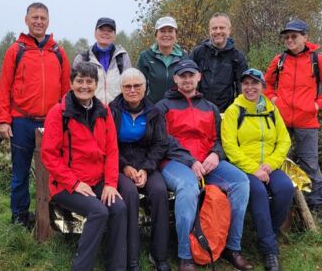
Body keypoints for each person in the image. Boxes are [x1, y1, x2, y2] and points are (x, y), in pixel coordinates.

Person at [156, 58, 253, 271]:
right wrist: (190, 161)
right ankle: (185, 255)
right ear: (175, 79)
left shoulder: (210, 107)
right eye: (183, 75)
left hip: (208, 162)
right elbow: (162, 140)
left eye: (191, 75)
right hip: (175, 162)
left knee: (241, 182)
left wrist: (216, 154)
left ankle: (232, 247)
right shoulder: (163, 106)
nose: (187, 79)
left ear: (199, 77)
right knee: (188, 187)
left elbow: (220, 139)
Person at [41, 62, 126, 271]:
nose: (84, 86)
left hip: (97, 180)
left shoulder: (104, 111)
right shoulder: (58, 113)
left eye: (89, 81)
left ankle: (116, 266)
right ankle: (81, 267)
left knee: (119, 208)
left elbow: (112, 150)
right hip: (66, 184)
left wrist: (110, 184)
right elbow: (49, 155)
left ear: (96, 84)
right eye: (79, 81)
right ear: (71, 83)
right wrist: (74, 183)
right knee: (99, 211)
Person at [0, 2, 70, 228]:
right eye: (34, 17)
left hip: (52, 121)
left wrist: (68, 119)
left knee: (55, 171)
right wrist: (3, 119)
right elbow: (4, 88)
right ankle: (19, 218)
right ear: (26, 20)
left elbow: (67, 89)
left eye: (42, 18)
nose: (39, 21)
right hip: (21, 121)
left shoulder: (58, 51)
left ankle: (53, 217)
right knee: (20, 173)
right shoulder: (16, 51)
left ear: (48, 21)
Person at [222, 69, 294, 271]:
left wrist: (270, 164)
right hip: (244, 167)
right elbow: (229, 146)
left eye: (255, 83)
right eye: (246, 83)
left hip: (269, 166)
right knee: (259, 193)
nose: (250, 87)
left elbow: (284, 140)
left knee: (286, 188)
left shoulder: (271, 109)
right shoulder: (234, 111)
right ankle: (269, 250)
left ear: (263, 87)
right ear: (241, 86)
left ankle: (267, 231)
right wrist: (254, 169)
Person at [109, 68, 170, 271]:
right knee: (130, 194)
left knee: (160, 192)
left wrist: (146, 169)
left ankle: (159, 255)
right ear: (121, 88)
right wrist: (124, 166)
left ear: (145, 88)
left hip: (147, 163)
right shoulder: (111, 110)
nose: (132, 90)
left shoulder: (155, 112)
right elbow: (107, 145)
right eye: (128, 86)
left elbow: (160, 144)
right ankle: (131, 257)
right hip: (120, 164)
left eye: (137, 86)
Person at [265, 19, 322, 214]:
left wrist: (316, 105)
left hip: (307, 121)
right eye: (287, 37)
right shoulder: (279, 60)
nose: (290, 40)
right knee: (281, 163)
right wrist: (272, 98)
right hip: (281, 122)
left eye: (294, 36)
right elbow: (266, 84)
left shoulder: (317, 60)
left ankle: (314, 208)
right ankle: (285, 207)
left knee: (310, 165)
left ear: (305, 37)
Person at [189, 12, 248, 112]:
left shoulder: (237, 57)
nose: (218, 31)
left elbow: (241, 87)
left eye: (222, 28)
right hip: (198, 111)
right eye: (214, 28)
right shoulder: (198, 53)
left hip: (226, 113)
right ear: (209, 31)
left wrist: (240, 111)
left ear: (229, 30)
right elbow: (187, 81)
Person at [73, 17, 131, 104]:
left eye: (110, 31)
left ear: (114, 35)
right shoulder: (82, 58)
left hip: (117, 112)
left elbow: (129, 85)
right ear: (95, 33)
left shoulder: (122, 57)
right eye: (102, 29)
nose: (106, 33)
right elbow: (74, 87)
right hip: (89, 112)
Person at [137, 16, 188, 104]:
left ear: (176, 35)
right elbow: (139, 86)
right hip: (152, 109)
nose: (166, 35)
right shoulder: (145, 57)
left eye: (170, 31)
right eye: (162, 31)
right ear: (156, 35)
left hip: (178, 110)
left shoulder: (185, 57)